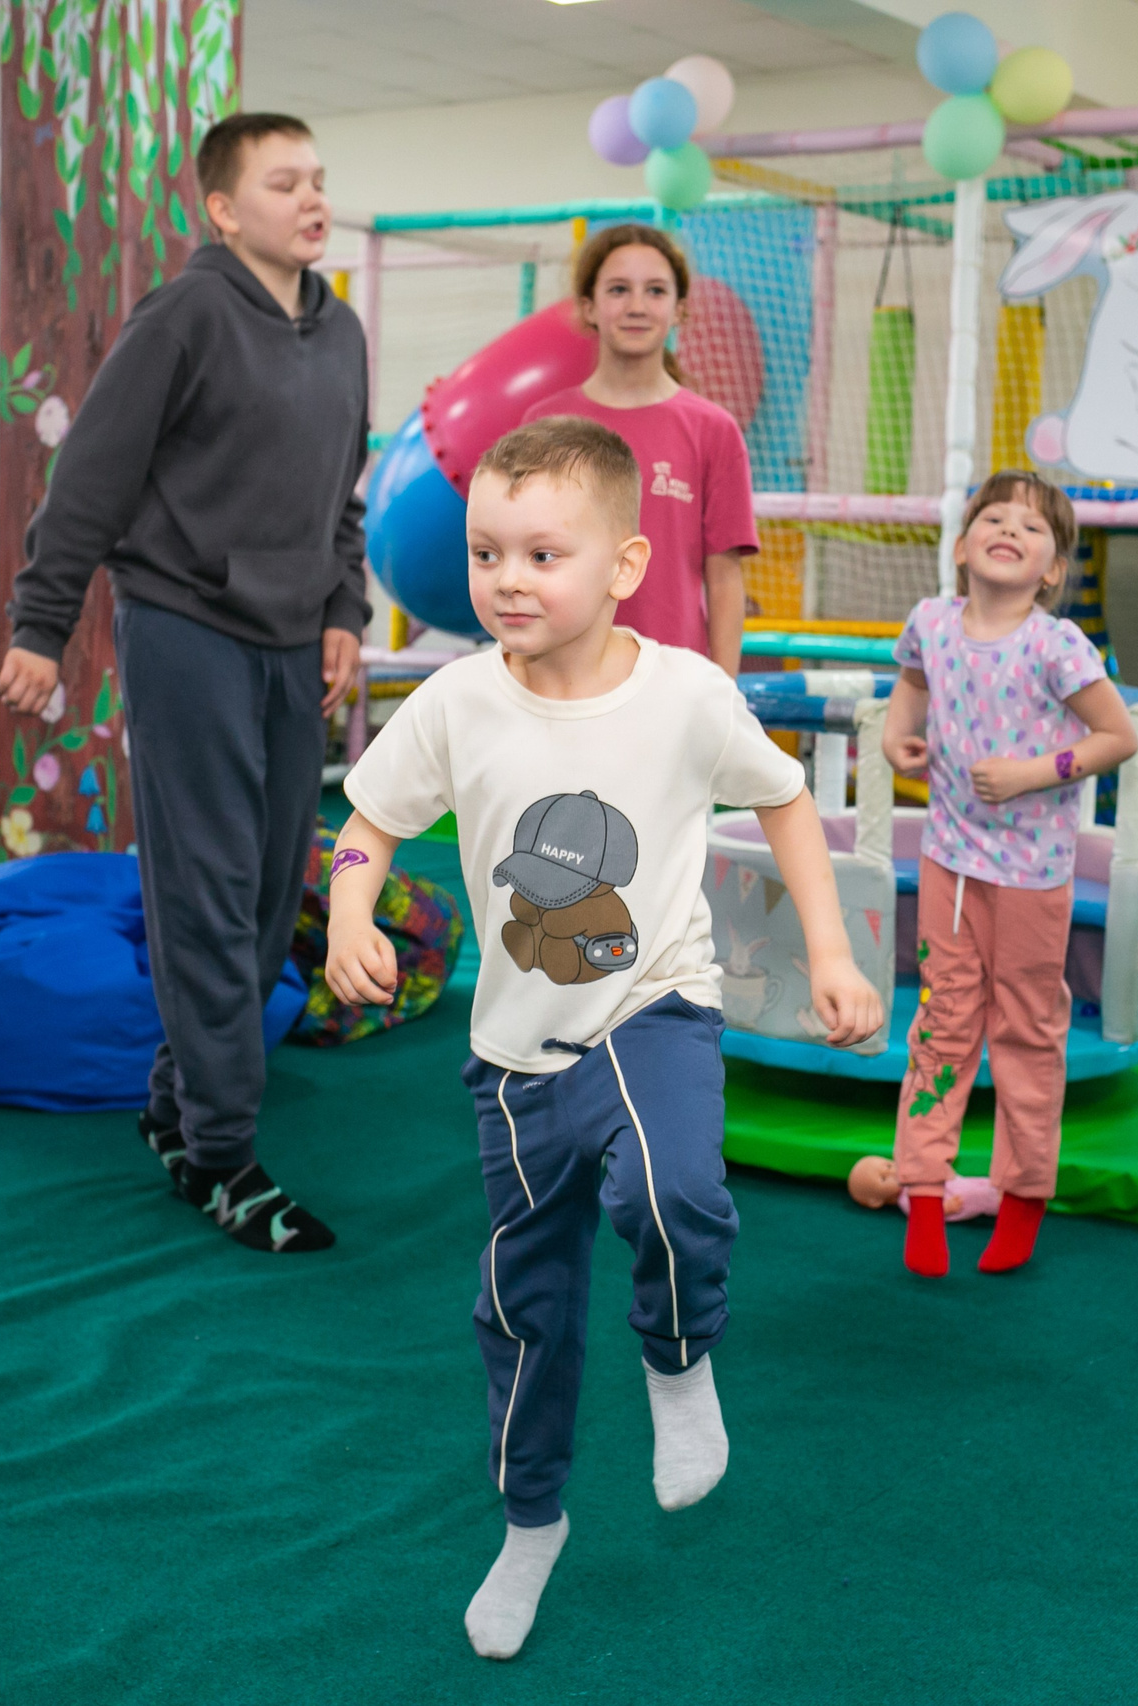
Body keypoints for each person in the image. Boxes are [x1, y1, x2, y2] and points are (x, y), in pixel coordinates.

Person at [325, 417, 883, 1661]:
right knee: (523, 1306)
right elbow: (365, 817)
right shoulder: (457, 700)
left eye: (541, 554)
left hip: (655, 1006)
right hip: (515, 1058)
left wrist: (832, 949)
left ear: (626, 564)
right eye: (485, 554)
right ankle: (531, 1521)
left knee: (674, 1189)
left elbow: (786, 797)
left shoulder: (684, 690)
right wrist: (349, 908)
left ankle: (679, 1362)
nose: (507, 580)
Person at [0, 112, 367, 1254]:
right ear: (221, 208)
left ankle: (177, 1098)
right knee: (205, 890)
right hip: (186, 629)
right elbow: (92, 480)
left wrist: (344, 610)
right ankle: (220, 1154)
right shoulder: (186, 316)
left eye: (316, 178)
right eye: (281, 181)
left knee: (266, 889)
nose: (311, 197)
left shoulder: (343, 329)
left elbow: (338, 496)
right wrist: (42, 627)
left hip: (291, 640)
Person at [880, 470, 1136, 1278]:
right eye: (994, 519)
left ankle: (1023, 1194)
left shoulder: (1055, 643)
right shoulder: (931, 622)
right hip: (950, 865)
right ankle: (924, 1189)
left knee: (1026, 1031)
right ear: (961, 548)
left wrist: (1035, 771)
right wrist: (897, 737)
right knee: (942, 1024)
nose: (1010, 532)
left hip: (1031, 875)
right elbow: (912, 682)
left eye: (1032, 530)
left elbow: (1116, 736)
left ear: (1052, 570)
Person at [522, 223, 759, 674]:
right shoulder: (544, 426)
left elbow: (725, 579)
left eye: (654, 291)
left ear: (680, 309)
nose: (636, 306)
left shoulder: (714, 430)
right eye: (618, 289)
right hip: (562, 677)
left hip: (671, 682)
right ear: (589, 307)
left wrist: (722, 696)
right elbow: (524, 562)